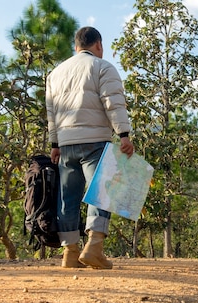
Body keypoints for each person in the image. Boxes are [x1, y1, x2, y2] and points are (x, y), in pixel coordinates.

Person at [46, 26, 134, 269]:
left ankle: (70, 253)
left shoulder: (55, 74)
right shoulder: (103, 67)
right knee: (101, 192)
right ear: (98, 45)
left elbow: (51, 114)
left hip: (65, 144)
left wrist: (54, 144)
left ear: (76, 47)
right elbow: (113, 102)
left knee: (68, 198)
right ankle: (94, 247)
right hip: (95, 140)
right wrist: (124, 134)